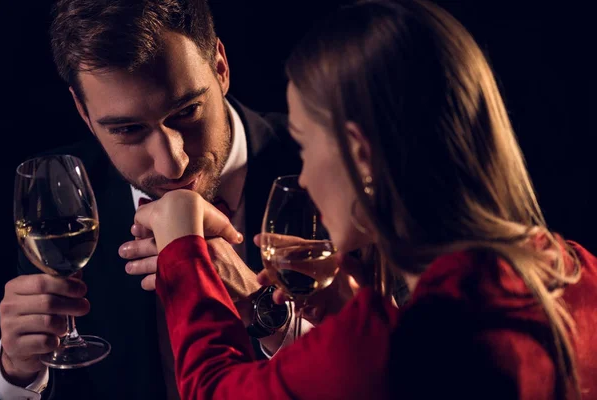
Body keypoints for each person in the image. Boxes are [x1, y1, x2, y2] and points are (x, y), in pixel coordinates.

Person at [133, 0, 597, 399]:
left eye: (306, 145)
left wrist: (182, 255)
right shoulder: (576, 268)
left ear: (359, 153)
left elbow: (215, 391)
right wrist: (345, 311)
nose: (306, 178)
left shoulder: (392, 344)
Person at [0, 0, 305, 399]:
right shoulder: (56, 204)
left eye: (187, 111)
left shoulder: (329, 169)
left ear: (221, 67)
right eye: (128, 130)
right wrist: (17, 372)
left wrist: (271, 314)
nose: (173, 164)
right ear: (84, 113)